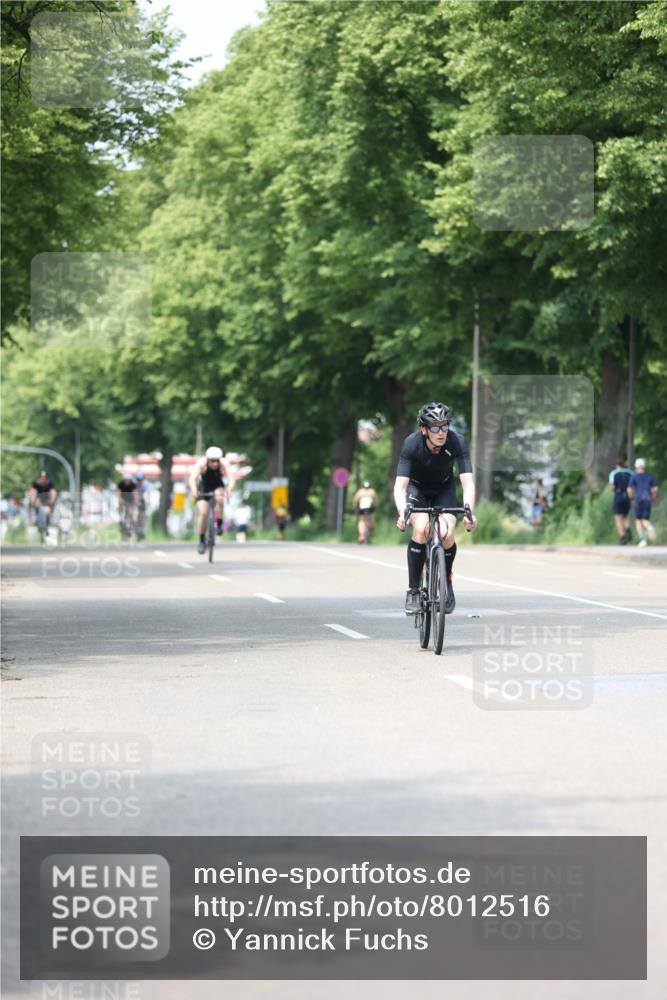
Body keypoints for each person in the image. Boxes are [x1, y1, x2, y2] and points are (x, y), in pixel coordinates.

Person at [394, 402, 477, 615]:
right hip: (417, 489)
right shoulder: (411, 444)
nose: (441, 432)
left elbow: (468, 483)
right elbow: (400, 486)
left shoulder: (457, 442)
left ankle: (446, 582)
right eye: (434, 427)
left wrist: (469, 512)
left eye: (444, 426)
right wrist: (403, 511)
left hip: (444, 488)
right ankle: (413, 590)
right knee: (421, 528)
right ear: (424, 429)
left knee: (446, 532)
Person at [188, 446, 236, 555]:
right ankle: (201, 540)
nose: (215, 463)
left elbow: (232, 478)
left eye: (217, 461)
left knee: (220, 497)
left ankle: (219, 524)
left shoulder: (224, 464)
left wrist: (229, 489)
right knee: (203, 513)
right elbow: (192, 478)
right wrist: (194, 490)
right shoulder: (201, 464)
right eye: (212, 461)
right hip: (204, 487)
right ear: (208, 459)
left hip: (217, 485)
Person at [627, 458, 658, 547]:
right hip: (647, 499)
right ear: (644, 466)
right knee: (645, 519)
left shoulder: (634, 476)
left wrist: (631, 498)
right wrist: (653, 498)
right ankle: (649, 527)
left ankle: (642, 540)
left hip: (638, 499)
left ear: (636, 467)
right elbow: (655, 489)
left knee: (638, 520)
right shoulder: (650, 476)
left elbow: (629, 489)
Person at [607, 457, 633, 544]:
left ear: (616, 465)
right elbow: (632, 486)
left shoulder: (613, 473)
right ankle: (628, 530)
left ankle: (622, 537)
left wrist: (612, 488)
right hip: (627, 496)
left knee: (618, 517)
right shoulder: (630, 472)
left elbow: (612, 487)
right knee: (625, 516)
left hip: (618, 495)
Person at [134, 471, 150, 539]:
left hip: (141, 498)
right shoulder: (134, 484)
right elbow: (134, 493)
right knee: (132, 511)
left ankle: (142, 529)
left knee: (142, 514)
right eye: (138, 479)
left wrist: (148, 502)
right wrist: (136, 502)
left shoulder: (145, 484)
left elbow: (148, 493)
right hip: (133, 498)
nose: (139, 481)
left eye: (140, 480)